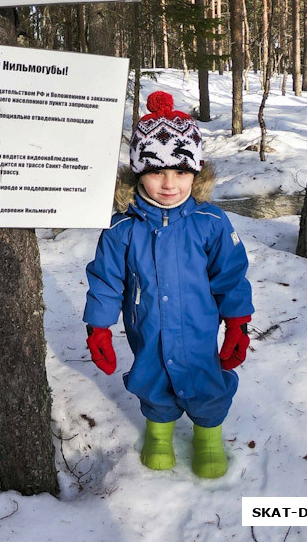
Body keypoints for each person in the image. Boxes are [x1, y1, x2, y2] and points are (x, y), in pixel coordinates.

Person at [83, 91, 253, 478]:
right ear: (138, 172)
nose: (169, 184)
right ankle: (159, 431)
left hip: (198, 327)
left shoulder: (210, 221)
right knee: (151, 374)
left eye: (180, 172)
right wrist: (99, 327)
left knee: (205, 377)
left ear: (196, 171)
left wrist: (238, 323)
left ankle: (208, 435)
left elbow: (231, 275)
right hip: (148, 327)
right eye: (157, 171)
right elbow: (106, 279)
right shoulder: (122, 227)